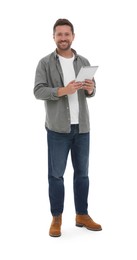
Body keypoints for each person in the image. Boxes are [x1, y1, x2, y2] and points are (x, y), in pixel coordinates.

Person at [34, 18, 102, 237]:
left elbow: (91, 93)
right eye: (59, 34)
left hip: (82, 127)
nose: (63, 38)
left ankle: (82, 214)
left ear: (73, 36)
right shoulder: (45, 63)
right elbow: (38, 91)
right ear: (53, 37)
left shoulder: (83, 61)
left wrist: (91, 89)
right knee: (56, 176)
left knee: (82, 174)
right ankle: (57, 218)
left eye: (67, 34)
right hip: (57, 129)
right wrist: (63, 90)